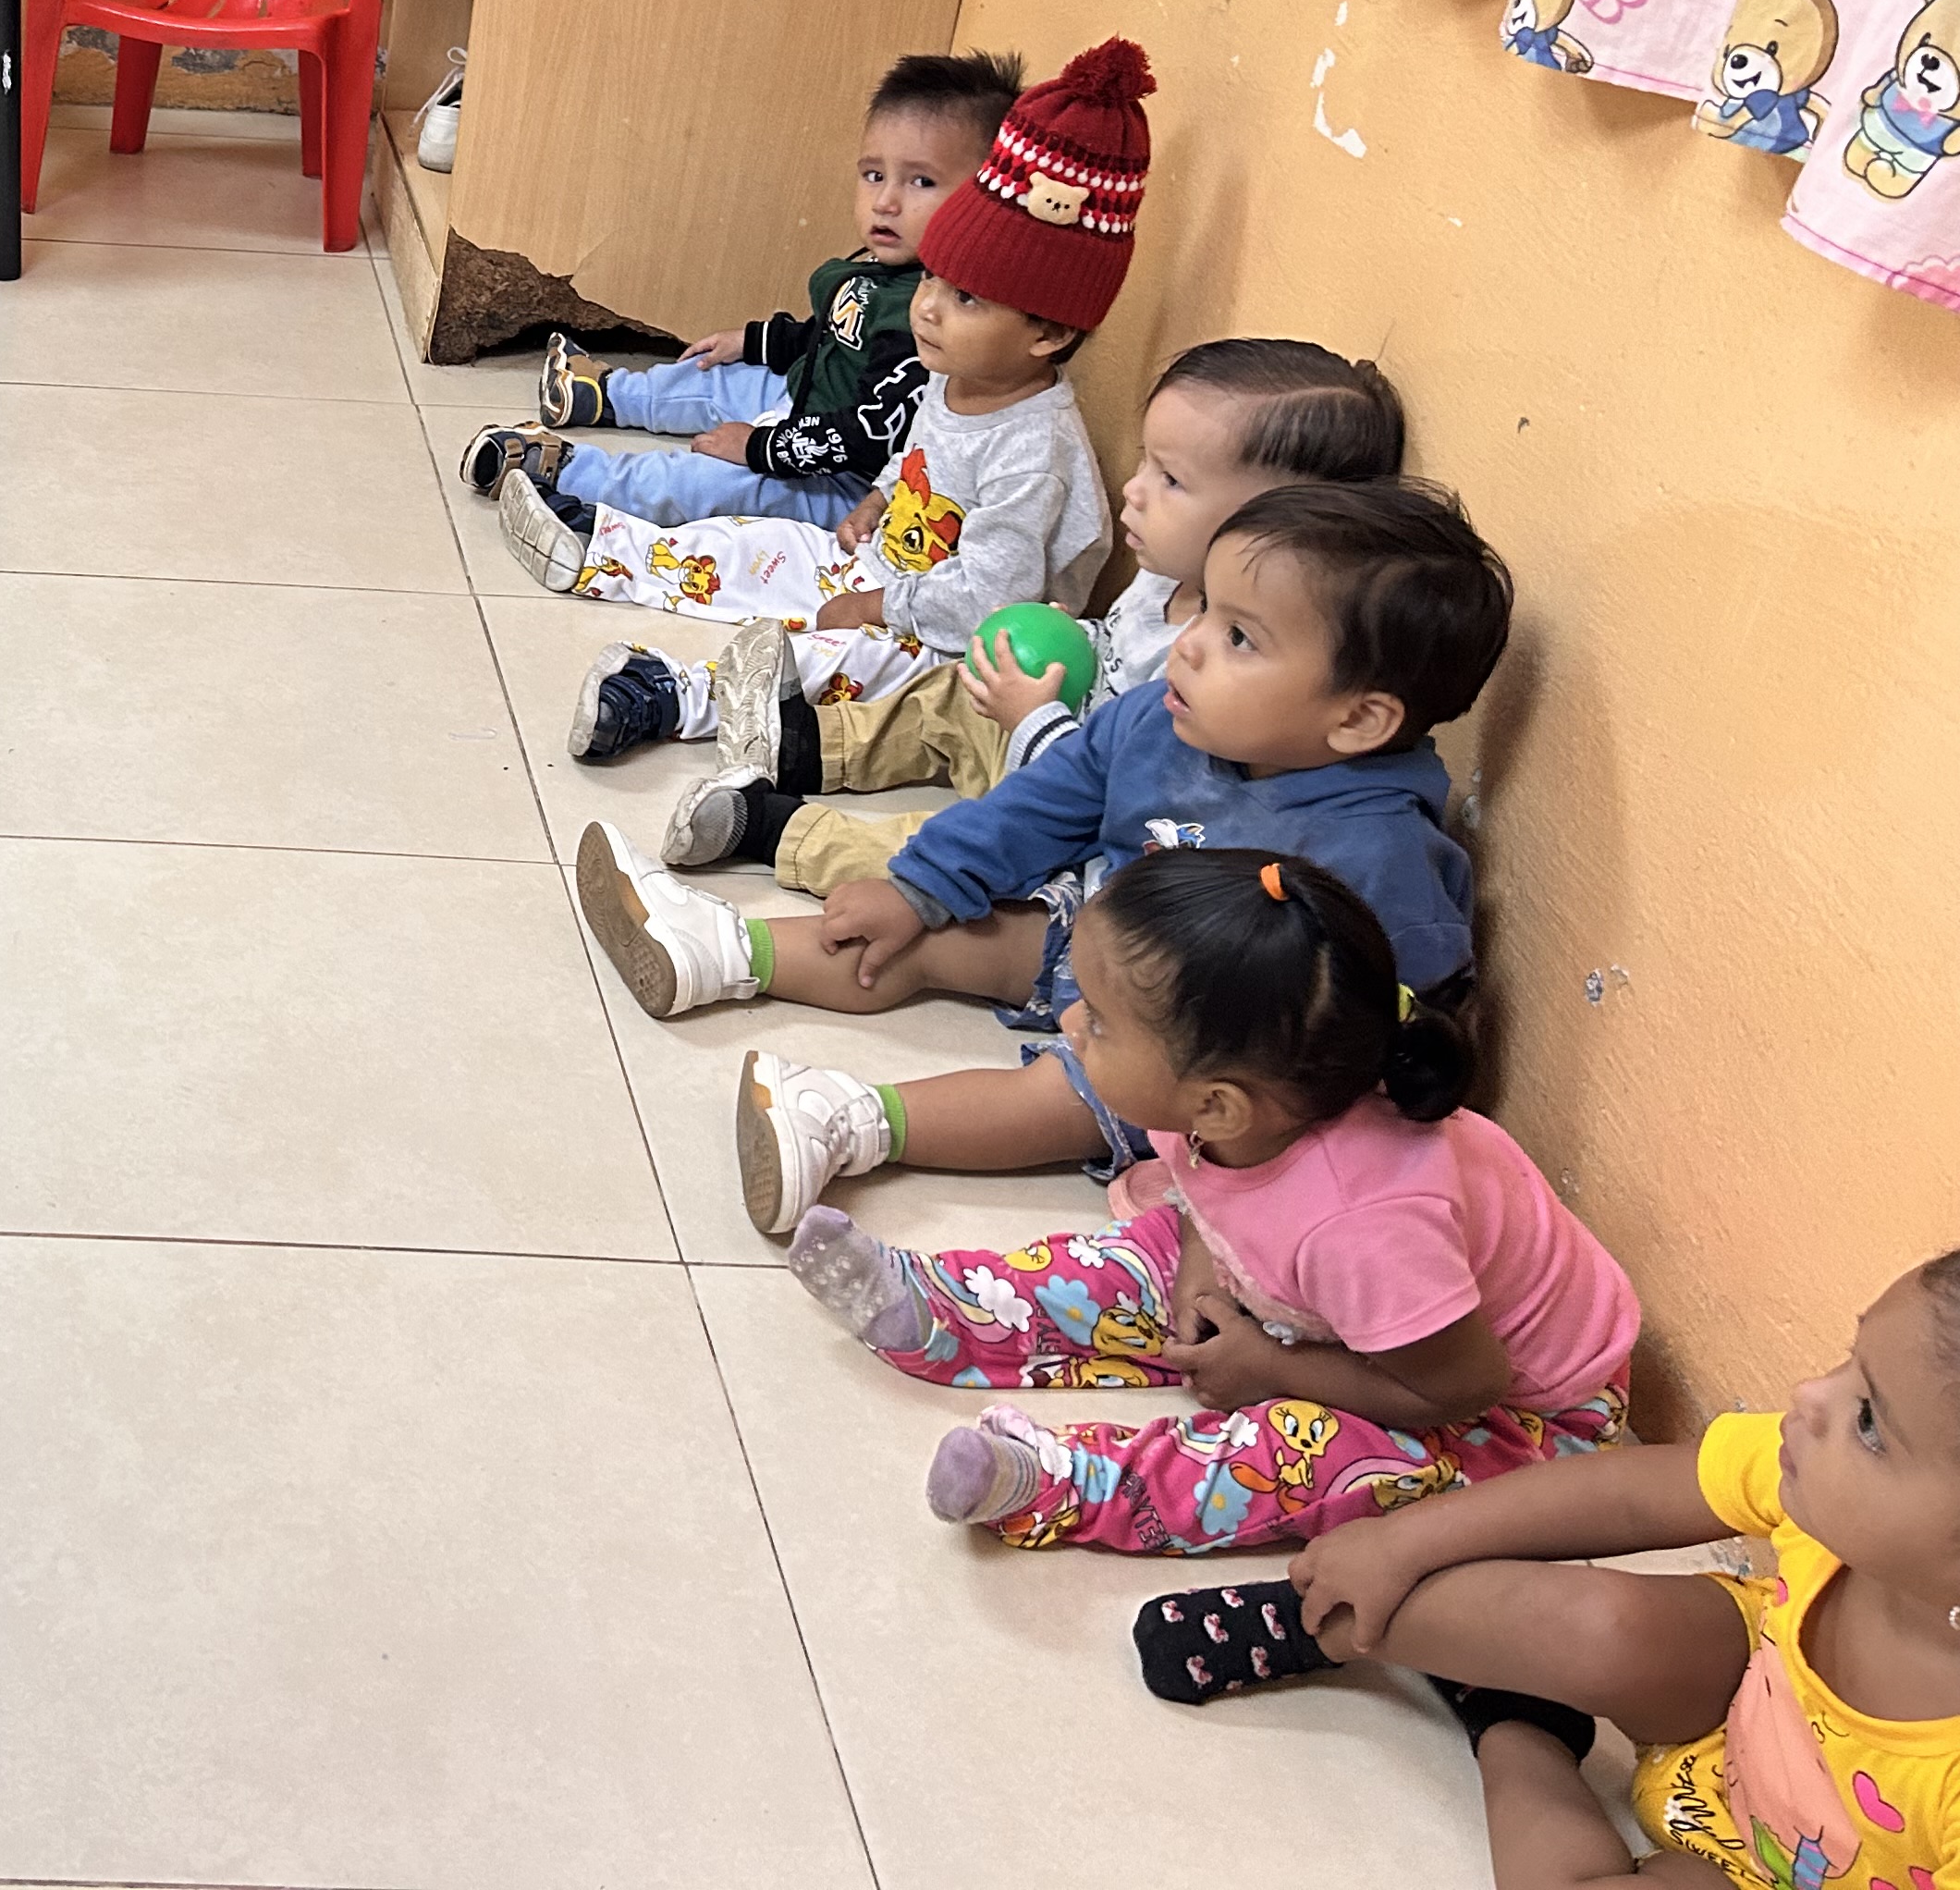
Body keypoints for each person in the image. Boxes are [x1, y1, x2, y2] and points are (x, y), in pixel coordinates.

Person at [689, 475, 1510, 1225]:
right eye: (1205, 611)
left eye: (1240, 638)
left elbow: (1397, 1032)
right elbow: (1043, 804)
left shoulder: (1378, 859)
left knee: (1068, 1098)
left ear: (1358, 720)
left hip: (1185, 1049)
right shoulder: (1164, 715)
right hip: (1100, 929)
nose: (1188, 644)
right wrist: (919, 886)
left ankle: (853, 1124)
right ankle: (726, 950)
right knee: (932, 932)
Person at [781, 849, 1637, 1557]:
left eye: (1100, 1022)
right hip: (1334, 1311)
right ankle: (937, 1310)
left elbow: (1464, 1386)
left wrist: (1274, 1372)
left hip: (1515, 1414)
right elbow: (1202, 1198)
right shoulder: (1224, 1113)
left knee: (1300, 1458)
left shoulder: (1364, 1223)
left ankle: (1060, 1483)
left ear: (1220, 1104)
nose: (1070, 1023)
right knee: (1128, 1264)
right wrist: (1201, 1267)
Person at [1139, 1258, 1960, 1890]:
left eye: (1869, 1422)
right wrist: (1401, 1544)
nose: (1810, 1394)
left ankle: (1514, 1718)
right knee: (1600, 1627)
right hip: (1733, 1684)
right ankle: (1329, 1615)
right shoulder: (1812, 1490)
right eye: (1847, 1360)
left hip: (1770, 1874)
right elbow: (1626, 1497)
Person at [522, 36, 1155, 757]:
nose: (927, 307)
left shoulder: (1035, 454)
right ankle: (603, 546)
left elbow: (984, 601)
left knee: (825, 662)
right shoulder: (961, 370)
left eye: (965, 297)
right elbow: (917, 450)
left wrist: (874, 606)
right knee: (760, 544)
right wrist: (878, 499)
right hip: (887, 571)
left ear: (1048, 333)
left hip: (949, 650)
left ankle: (671, 697)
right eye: (932, 278)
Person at [655, 338, 1409, 887]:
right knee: (953, 693)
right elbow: (1111, 659)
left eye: (1171, 481)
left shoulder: (1225, 662)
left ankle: (775, 831)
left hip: (1072, 816)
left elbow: (1126, 799)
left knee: (957, 844)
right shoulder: (1168, 579)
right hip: (1044, 738)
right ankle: (803, 746)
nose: (1133, 490)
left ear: (1277, 521)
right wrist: (1070, 641)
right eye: (1146, 464)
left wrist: (1038, 721)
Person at [456, 50, 1020, 529]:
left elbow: (866, 437)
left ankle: (570, 474)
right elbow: (831, 336)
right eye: (874, 175)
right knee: (718, 375)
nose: (886, 202)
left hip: (843, 480)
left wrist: (756, 447)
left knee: (714, 480)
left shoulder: (933, 316)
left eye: (921, 181)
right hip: (804, 408)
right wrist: (753, 342)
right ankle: (606, 395)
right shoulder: (885, 268)